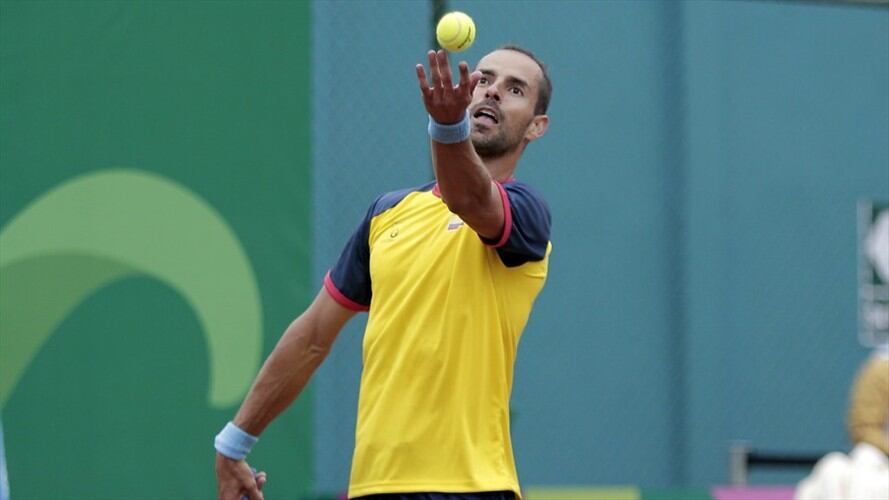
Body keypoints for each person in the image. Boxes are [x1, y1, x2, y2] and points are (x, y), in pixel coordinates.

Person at [214, 45, 554, 500]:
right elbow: (313, 335)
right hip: (374, 487)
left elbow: (470, 199)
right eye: (485, 79)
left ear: (537, 126)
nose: (492, 93)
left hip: (471, 487)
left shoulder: (528, 215)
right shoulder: (388, 214)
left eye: (515, 89)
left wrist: (446, 127)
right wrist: (234, 443)